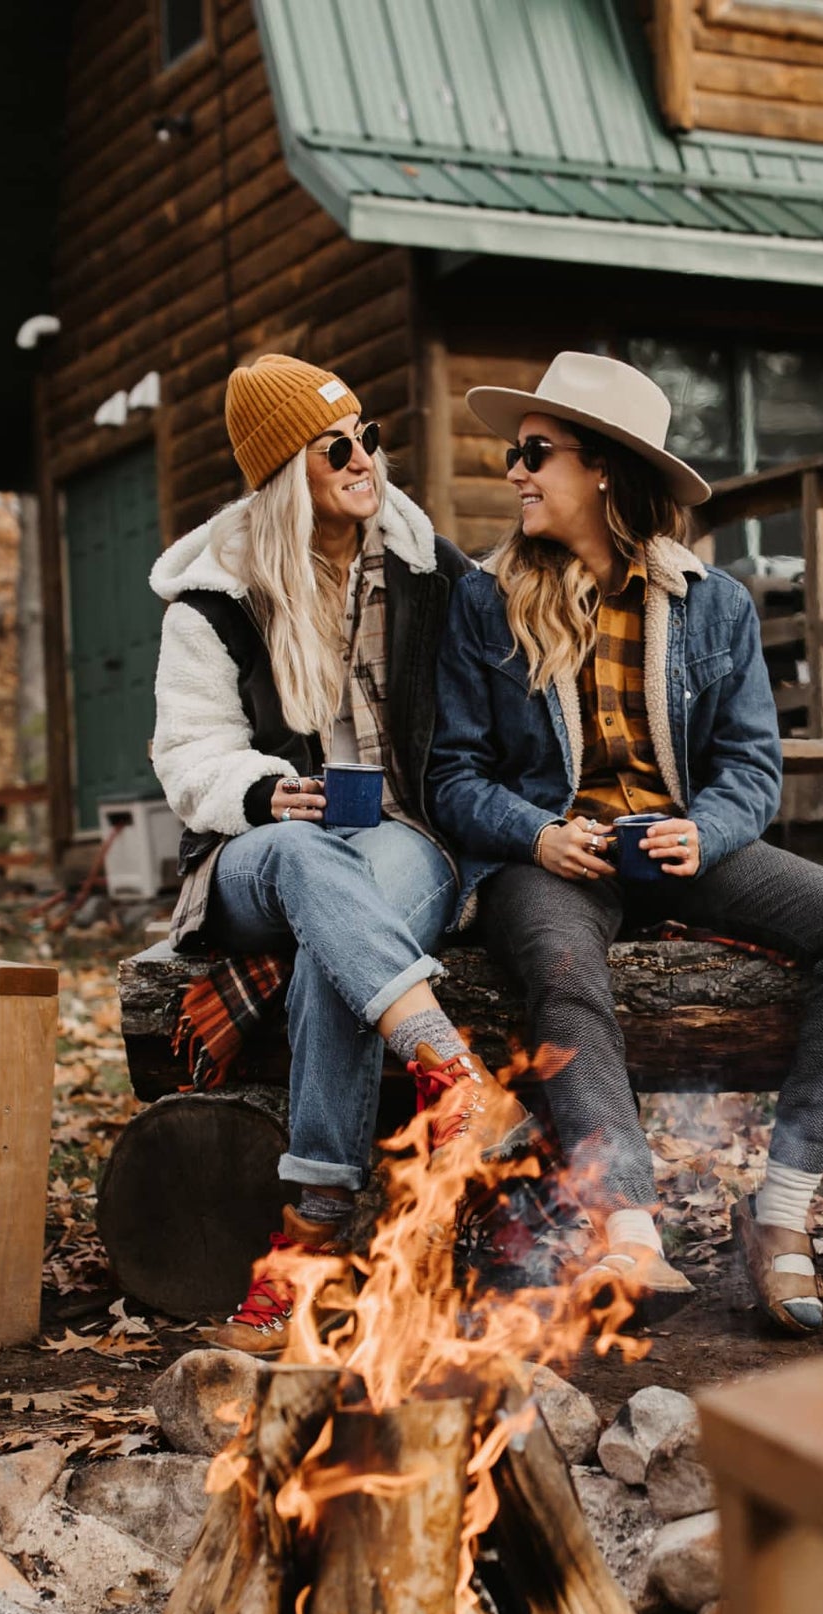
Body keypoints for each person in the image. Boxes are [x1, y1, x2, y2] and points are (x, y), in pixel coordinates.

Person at [428, 352, 823, 1334]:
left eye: (534, 452)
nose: (513, 471)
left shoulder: (710, 605)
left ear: (602, 468)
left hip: (683, 847)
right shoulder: (484, 602)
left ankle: (777, 1215)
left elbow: (750, 771)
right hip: (554, 861)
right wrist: (535, 834)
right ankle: (630, 1226)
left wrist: (705, 830)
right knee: (561, 966)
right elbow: (452, 776)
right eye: (512, 454)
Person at [150, 354, 531, 1351]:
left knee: (338, 945)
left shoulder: (425, 569)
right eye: (337, 446)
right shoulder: (214, 597)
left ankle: (309, 1235)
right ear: (284, 472)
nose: (364, 458)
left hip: (406, 839)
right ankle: (454, 1073)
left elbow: (501, 697)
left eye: (369, 434)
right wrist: (262, 789)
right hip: (256, 853)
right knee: (309, 864)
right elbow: (186, 753)